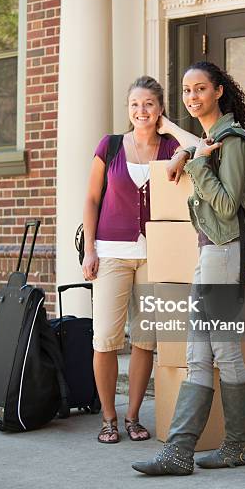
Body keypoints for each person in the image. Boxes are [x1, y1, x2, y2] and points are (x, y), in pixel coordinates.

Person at [132, 61, 245, 475]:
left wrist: (195, 163)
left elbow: (227, 204)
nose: (192, 97)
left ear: (218, 91)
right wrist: (188, 152)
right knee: (196, 352)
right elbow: (199, 155)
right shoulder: (210, 139)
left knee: (222, 350)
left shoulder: (233, 141)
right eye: (187, 91)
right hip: (212, 254)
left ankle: (238, 446)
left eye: (200, 89)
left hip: (227, 253)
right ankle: (179, 451)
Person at [82, 76, 181, 444]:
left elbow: (204, 148)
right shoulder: (109, 146)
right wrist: (90, 249)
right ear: (128, 109)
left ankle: (134, 415)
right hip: (111, 254)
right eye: (135, 104)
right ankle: (108, 417)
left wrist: (169, 127)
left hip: (156, 256)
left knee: (146, 339)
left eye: (149, 105)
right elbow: (91, 200)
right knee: (106, 338)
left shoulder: (173, 146)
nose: (141, 111)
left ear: (160, 110)